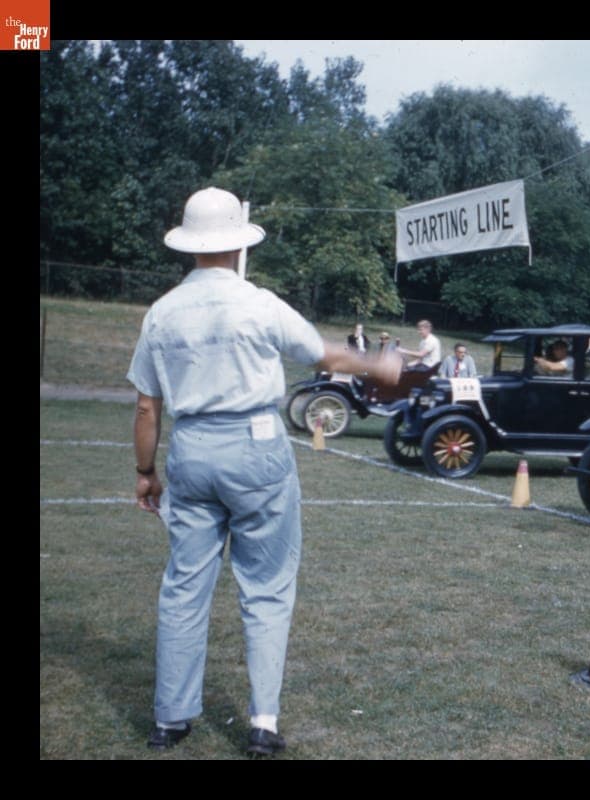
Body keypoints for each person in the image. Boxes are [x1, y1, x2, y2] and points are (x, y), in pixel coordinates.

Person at [128, 187, 403, 756]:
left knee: (184, 588)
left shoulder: (162, 313)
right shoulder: (258, 302)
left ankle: (171, 719)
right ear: (236, 245)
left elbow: (147, 406)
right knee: (267, 589)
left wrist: (145, 471)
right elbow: (324, 356)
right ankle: (263, 722)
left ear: (190, 245)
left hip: (194, 449)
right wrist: (378, 363)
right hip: (255, 446)